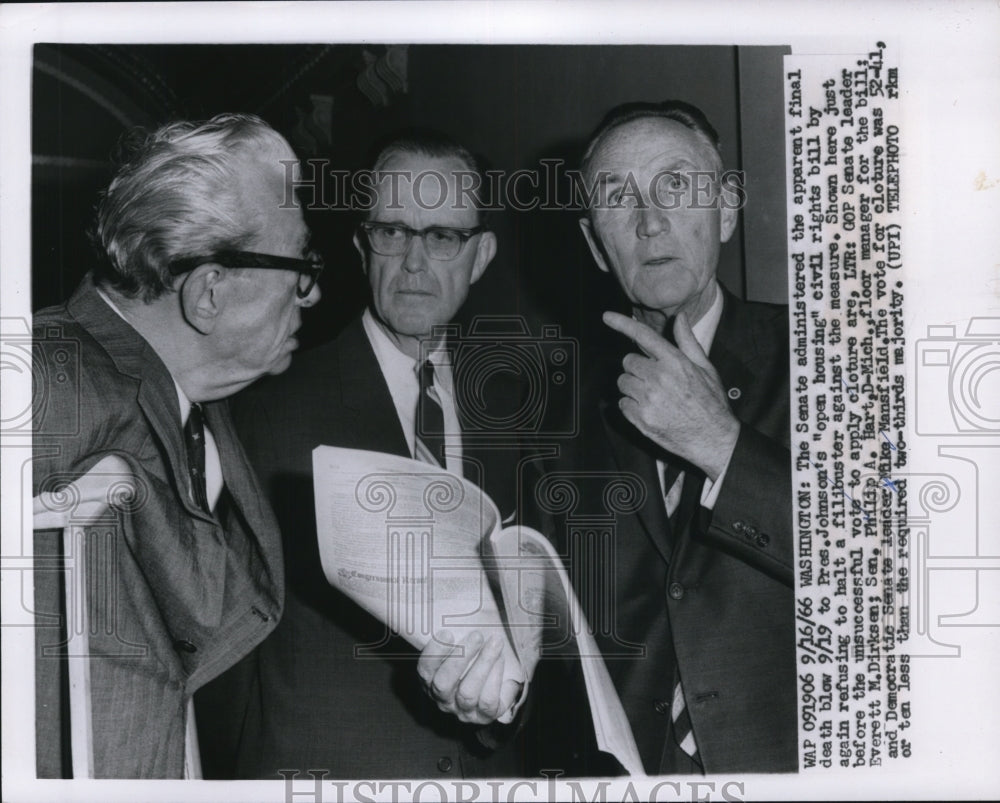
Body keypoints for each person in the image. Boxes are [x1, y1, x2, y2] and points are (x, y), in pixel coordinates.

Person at [197, 131, 527, 779]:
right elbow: (219, 659)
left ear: (481, 255)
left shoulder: (522, 413)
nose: (412, 262)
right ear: (360, 244)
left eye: (442, 237)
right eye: (392, 232)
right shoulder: (259, 407)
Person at [31, 112, 322, 778]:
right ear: (209, 291)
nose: (313, 291)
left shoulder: (202, 415)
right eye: (302, 264)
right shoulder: (48, 376)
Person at [530, 100, 796, 775]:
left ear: (727, 209)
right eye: (618, 198)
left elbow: (888, 569)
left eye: (676, 184)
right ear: (596, 245)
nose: (649, 221)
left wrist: (723, 447)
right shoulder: (558, 415)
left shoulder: (826, 352)